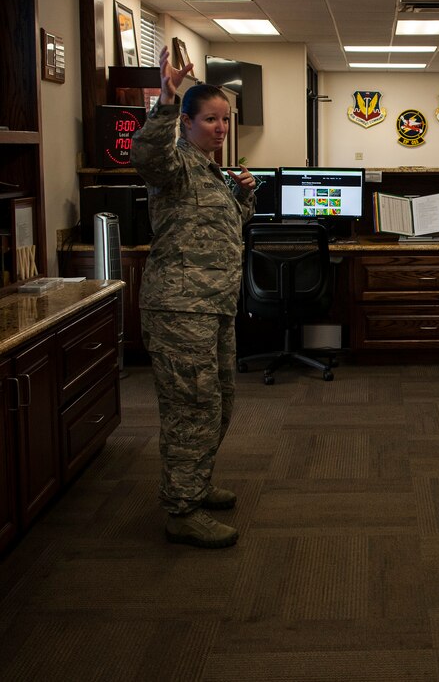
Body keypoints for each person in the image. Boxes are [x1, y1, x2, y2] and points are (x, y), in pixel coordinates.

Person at [130, 46, 256, 549]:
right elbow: (146, 153)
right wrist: (165, 97)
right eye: (210, 120)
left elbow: (224, 233)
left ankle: (196, 484)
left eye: (225, 120)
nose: (220, 129)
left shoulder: (209, 171)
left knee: (219, 401)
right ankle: (181, 509)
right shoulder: (174, 165)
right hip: (180, 309)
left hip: (213, 307)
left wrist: (244, 196)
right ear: (186, 121)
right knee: (191, 407)